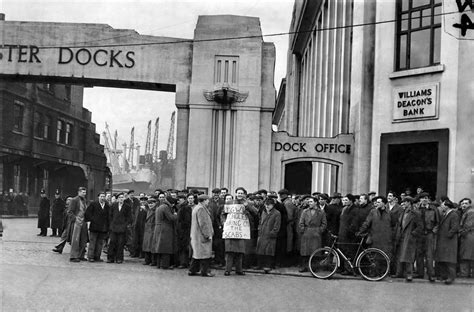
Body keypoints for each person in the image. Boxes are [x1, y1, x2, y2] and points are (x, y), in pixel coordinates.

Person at [395, 196, 423, 282]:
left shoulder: (415, 213)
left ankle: (409, 274)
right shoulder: (402, 212)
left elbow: (420, 227)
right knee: (401, 255)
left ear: (409, 203)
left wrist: (412, 234)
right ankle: (399, 273)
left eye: (405, 202)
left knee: (408, 257)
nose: (403, 203)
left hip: (409, 237)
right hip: (402, 236)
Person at [222, 187, 249, 275]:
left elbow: (255, 213)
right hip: (231, 230)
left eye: (241, 193)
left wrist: (247, 206)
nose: (239, 195)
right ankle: (227, 270)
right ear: (236, 194)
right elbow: (223, 214)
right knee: (229, 252)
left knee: (240, 252)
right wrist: (224, 223)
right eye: (238, 193)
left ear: (244, 194)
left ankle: (239, 270)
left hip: (241, 231)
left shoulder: (248, 203)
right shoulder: (229, 203)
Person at [415, 192, 440, 281]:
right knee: (419, 254)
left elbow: (437, 223)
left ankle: (431, 274)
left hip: (429, 234)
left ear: (428, 199)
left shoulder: (433, 209)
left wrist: (433, 231)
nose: (424, 199)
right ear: (420, 200)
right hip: (419, 235)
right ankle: (420, 273)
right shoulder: (416, 209)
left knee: (429, 255)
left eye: (426, 198)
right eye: (422, 198)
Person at [298, 196, 327, 272]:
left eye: (311, 202)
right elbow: (301, 223)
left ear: (315, 202)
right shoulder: (305, 211)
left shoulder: (321, 212)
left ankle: (313, 267)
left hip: (316, 233)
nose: (309, 203)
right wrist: (303, 230)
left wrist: (319, 231)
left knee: (315, 251)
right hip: (306, 232)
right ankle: (304, 266)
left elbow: (324, 224)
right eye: (309, 202)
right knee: (305, 251)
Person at [434, 200, 460, 284]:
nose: (441, 207)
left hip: (449, 241)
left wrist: (448, 235)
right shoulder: (446, 214)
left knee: (450, 260)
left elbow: (455, 227)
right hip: (445, 240)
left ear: (447, 206)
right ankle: (445, 276)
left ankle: (451, 277)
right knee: (444, 258)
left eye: (442, 205)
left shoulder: (453, 215)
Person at [189, 194, 214, 277]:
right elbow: (203, 223)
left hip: (196, 235)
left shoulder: (196, 208)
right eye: (207, 200)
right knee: (205, 254)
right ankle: (205, 271)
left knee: (196, 254)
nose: (208, 202)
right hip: (201, 236)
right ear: (204, 200)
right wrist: (207, 235)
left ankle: (192, 270)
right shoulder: (201, 209)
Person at [256, 198, 281, 273]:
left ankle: (268, 265)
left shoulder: (277, 213)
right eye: (266, 205)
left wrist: (273, 232)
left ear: (273, 205)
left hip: (270, 234)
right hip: (262, 233)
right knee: (260, 249)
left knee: (269, 250)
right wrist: (259, 228)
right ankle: (260, 265)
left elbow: (277, 225)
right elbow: (260, 221)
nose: (267, 206)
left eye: (269, 205)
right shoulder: (263, 212)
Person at [152, 195, 177, 269]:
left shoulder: (160, 207)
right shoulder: (166, 207)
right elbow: (171, 218)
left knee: (159, 248)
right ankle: (165, 265)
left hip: (158, 228)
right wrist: (176, 215)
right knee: (166, 248)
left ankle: (159, 264)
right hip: (165, 229)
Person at [85, 191, 110, 262]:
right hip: (94, 226)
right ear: (98, 197)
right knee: (92, 242)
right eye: (101, 196)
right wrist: (92, 219)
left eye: (103, 196)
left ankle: (97, 256)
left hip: (103, 227)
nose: (102, 198)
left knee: (100, 243)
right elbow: (87, 213)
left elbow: (108, 216)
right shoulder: (93, 204)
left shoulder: (107, 206)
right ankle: (90, 256)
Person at [107, 193, 132, 264]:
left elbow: (129, 217)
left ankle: (119, 258)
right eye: (120, 197)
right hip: (114, 227)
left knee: (120, 243)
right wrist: (111, 224)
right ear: (117, 199)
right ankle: (110, 258)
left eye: (122, 197)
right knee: (112, 242)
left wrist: (125, 225)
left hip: (122, 228)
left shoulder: (127, 207)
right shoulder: (113, 206)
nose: (121, 199)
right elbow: (110, 216)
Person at [338, 194, 359, 273]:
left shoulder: (355, 210)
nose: (345, 202)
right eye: (344, 200)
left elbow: (355, 223)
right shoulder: (344, 209)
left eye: (346, 200)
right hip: (342, 233)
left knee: (348, 252)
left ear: (351, 201)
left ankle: (349, 269)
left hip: (349, 235)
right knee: (343, 251)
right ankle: (343, 268)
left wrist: (349, 231)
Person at [69, 187, 89, 262]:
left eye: (85, 192)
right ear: (79, 192)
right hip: (77, 222)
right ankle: (73, 256)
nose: (84, 194)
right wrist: (75, 219)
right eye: (83, 192)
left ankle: (81, 255)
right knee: (76, 240)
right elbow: (70, 212)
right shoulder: (74, 200)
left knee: (83, 239)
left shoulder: (84, 200)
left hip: (83, 221)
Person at [278, 189, 298, 264]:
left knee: (288, 243)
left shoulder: (287, 203)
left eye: (281, 195)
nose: (280, 196)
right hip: (287, 225)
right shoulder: (286, 202)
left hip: (288, 226)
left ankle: (287, 261)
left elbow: (289, 216)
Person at [177, 194, 194, 268]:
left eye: (192, 198)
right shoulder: (183, 207)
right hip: (184, 229)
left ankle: (187, 262)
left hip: (189, 229)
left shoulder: (189, 208)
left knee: (188, 246)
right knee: (184, 247)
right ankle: (184, 262)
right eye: (189, 198)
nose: (190, 199)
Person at [459, 198, 474, 278]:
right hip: (468, 235)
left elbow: (468, 225)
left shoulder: (470, 212)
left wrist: (461, 232)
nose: (463, 205)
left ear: (469, 204)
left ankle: (464, 274)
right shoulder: (467, 212)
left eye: (466, 203)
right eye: (462, 203)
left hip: (468, 236)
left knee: (466, 255)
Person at [142, 196, 157, 265]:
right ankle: (147, 260)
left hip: (152, 230)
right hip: (147, 230)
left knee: (151, 246)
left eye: (152, 203)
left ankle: (152, 261)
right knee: (147, 245)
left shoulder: (155, 211)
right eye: (149, 203)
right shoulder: (148, 210)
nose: (150, 204)